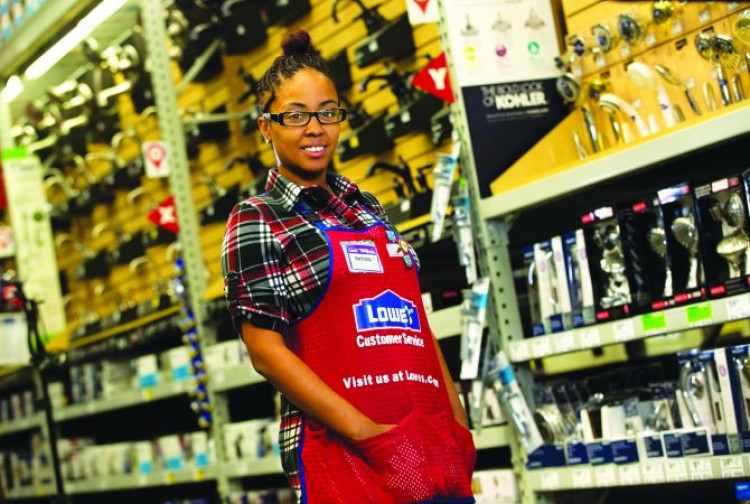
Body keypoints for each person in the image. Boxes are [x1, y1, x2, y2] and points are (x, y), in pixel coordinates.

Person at [222, 29, 476, 504]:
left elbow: (414, 322)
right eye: (295, 115)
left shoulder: (367, 208)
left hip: (433, 450)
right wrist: (368, 435)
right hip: (350, 458)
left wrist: (457, 422)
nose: (315, 128)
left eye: (327, 113)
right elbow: (265, 352)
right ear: (266, 127)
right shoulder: (258, 218)